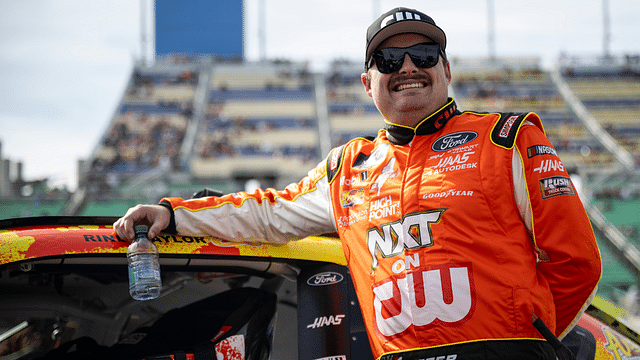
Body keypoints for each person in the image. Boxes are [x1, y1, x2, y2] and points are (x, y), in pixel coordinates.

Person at [115, 7, 601, 360]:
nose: (408, 67)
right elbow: (269, 211)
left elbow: (576, 264)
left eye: (424, 54)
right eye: (389, 61)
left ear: (446, 70)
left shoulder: (507, 138)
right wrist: (175, 214)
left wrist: (524, 340)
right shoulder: (348, 167)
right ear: (368, 83)